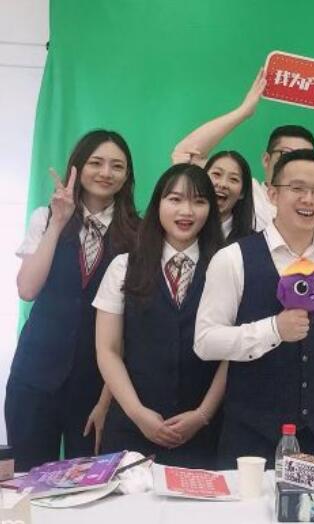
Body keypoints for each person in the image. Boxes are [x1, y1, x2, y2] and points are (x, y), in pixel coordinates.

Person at [194, 149, 314, 468]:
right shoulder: (233, 258)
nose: (308, 199)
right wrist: (273, 330)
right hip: (250, 437)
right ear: (272, 194)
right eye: (297, 188)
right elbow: (205, 341)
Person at [6, 130, 140, 470]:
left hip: (96, 385)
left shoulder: (139, 234)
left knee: (92, 484)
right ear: (77, 168)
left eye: (117, 166)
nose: (106, 173)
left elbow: (132, 325)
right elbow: (27, 289)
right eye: (96, 163)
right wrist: (58, 222)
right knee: (29, 481)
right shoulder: (45, 218)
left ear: (127, 176)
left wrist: (108, 399)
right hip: (35, 376)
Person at [94, 164, 224, 468]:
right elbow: (108, 349)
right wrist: (137, 413)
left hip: (203, 432)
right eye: (175, 199)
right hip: (131, 427)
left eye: (199, 201)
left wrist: (202, 415)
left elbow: (231, 354)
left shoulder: (226, 267)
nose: (186, 211)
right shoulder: (123, 266)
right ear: (158, 205)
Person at [172, 68, 314, 230]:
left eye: (305, 156)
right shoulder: (243, 191)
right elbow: (184, 153)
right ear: (266, 160)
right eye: (285, 154)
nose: (294, 162)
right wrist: (243, 112)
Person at [204, 150, 255, 243]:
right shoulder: (184, 230)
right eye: (217, 174)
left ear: (242, 192)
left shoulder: (253, 243)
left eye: (233, 179)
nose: (223, 184)